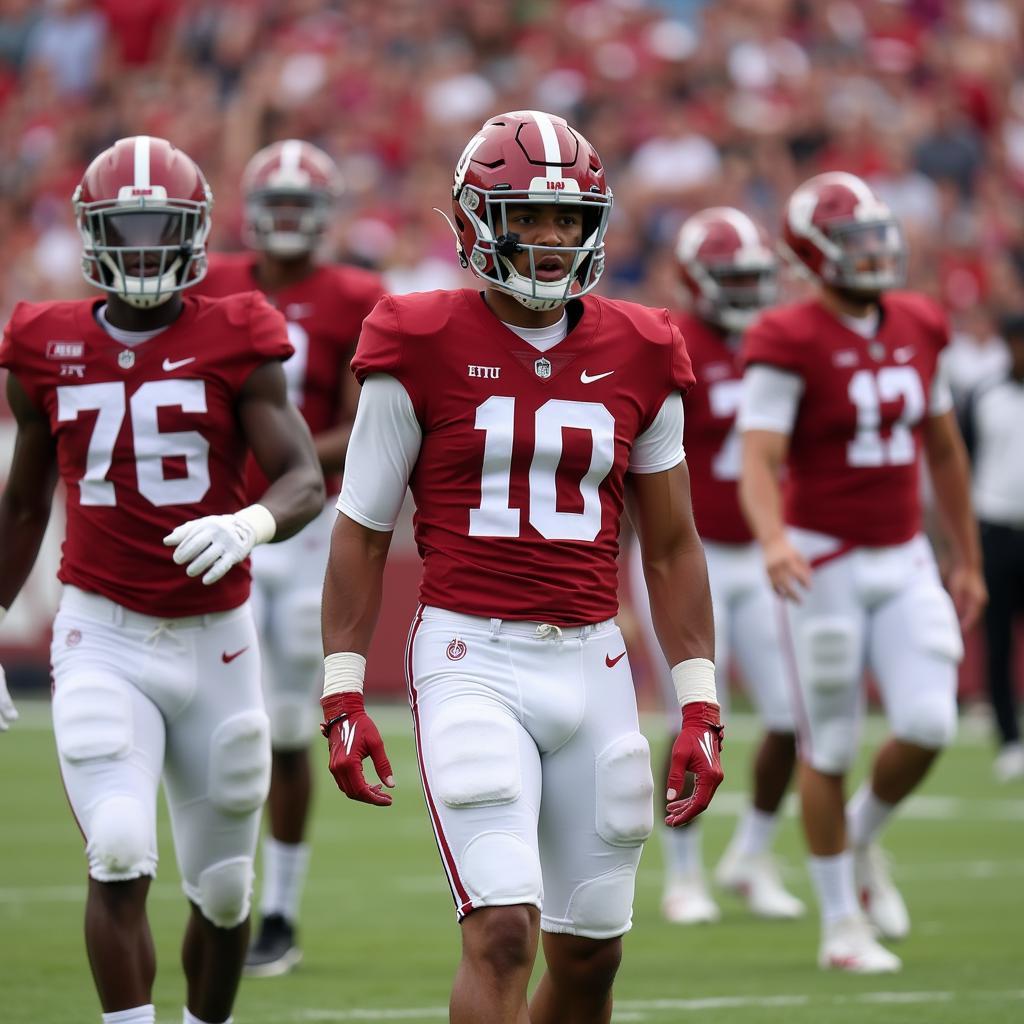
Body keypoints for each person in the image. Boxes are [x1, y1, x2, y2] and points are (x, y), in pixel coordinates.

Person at [319, 110, 724, 1024]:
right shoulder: (417, 338)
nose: (548, 240)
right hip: (472, 656)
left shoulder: (645, 346)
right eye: (527, 217)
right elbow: (363, 527)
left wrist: (698, 699)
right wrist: (344, 690)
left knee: (590, 959)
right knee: (503, 930)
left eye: (566, 219)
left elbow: (669, 545)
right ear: (472, 220)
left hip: (595, 659)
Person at [0, 136, 324, 1024]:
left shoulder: (238, 329)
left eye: (161, 230)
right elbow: (25, 505)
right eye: (125, 230)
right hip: (101, 630)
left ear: (195, 234)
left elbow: (302, 476)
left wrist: (248, 521)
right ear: (92, 236)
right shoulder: (43, 341)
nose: (143, 250)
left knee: (223, 893)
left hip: (217, 641)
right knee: (117, 848)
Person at [739, 171, 986, 972]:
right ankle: (841, 926)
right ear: (815, 253)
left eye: (879, 235)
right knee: (830, 741)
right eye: (855, 241)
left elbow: (943, 448)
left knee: (928, 724)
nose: (876, 252)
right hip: (826, 562)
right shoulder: (788, 335)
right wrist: (774, 537)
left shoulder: (919, 321)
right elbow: (759, 456)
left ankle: (861, 838)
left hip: (904, 552)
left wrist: (966, 556)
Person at [193, 138, 384, 975]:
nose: (288, 224)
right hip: (217, 518)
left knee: (285, 727)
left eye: (303, 208)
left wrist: (288, 464)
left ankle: (278, 911)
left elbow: (363, 419)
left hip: (307, 524)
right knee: (216, 722)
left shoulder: (356, 295)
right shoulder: (212, 284)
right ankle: (217, 899)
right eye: (275, 205)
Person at [629, 207, 804, 925]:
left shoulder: (781, 342)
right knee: (690, 717)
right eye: (731, 278)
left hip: (759, 560)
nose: (744, 292)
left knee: (793, 721)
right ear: (698, 280)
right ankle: (682, 872)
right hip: (685, 559)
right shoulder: (672, 344)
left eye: (752, 278)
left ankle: (750, 855)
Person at [960, 314, 1024, 782]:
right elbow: (959, 466)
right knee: (998, 639)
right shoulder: (985, 396)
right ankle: (1008, 738)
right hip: (995, 529)